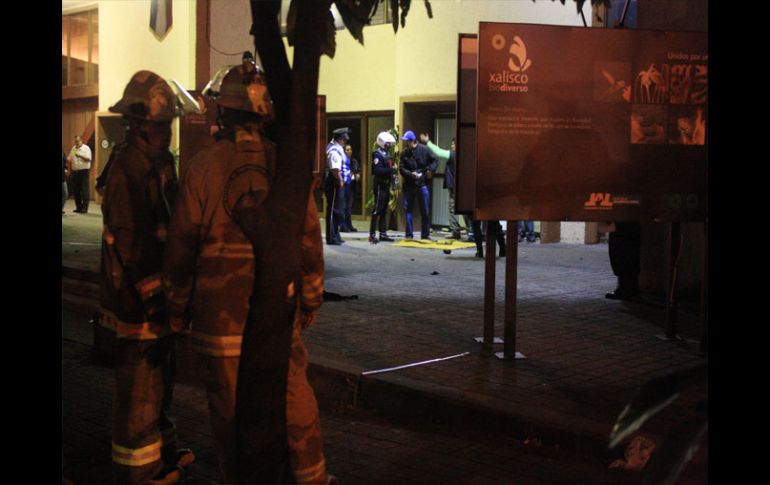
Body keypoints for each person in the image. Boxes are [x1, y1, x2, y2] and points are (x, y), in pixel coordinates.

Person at [163, 63, 332, 485]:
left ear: (224, 113)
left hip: (219, 318)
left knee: (229, 415)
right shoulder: (285, 166)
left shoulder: (202, 167)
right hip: (276, 313)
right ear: (265, 114)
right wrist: (310, 297)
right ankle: (312, 478)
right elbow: (309, 236)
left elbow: (182, 242)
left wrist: (178, 304)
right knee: (294, 401)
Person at [98, 70, 194, 484]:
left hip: (159, 300)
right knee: (139, 389)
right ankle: (139, 472)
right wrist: (158, 303)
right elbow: (131, 246)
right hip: (136, 304)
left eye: (168, 125)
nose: (167, 133)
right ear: (138, 125)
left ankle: (164, 450)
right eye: (161, 126)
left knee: (160, 382)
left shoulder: (158, 164)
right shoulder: (126, 170)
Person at [419, 133, 472, 240]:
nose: (452, 146)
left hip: (453, 187)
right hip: (464, 187)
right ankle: (471, 232)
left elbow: (438, 152)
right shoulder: (466, 155)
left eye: (454, 144)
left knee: (452, 208)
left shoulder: (453, 155)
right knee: (465, 209)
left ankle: (456, 231)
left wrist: (427, 142)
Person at [399, 130, 438, 240]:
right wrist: (411, 174)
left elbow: (435, 160)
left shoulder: (424, 150)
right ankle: (409, 235)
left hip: (422, 184)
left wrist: (430, 170)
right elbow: (401, 169)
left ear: (413, 141)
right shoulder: (404, 153)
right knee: (408, 210)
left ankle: (425, 235)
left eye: (407, 141)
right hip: (409, 185)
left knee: (425, 210)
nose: (405, 144)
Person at [369, 131, 397, 244]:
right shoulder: (377, 154)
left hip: (386, 184)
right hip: (380, 185)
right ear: (383, 143)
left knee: (384, 210)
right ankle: (372, 234)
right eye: (387, 143)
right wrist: (392, 170)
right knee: (377, 209)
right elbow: (377, 170)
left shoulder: (386, 154)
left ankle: (383, 234)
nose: (389, 145)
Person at [324, 128, 349, 245]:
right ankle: (331, 237)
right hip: (334, 182)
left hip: (337, 182)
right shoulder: (334, 150)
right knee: (333, 210)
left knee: (338, 210)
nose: (345, 142)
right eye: (344, 139)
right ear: (340, 139)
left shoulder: (338, 148)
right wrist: (340, 180)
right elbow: (335, 169)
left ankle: (336, 234)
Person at [605, 221, 641, 300]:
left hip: (623, 222)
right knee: (628, 250)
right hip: (630, 222)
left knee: (620, 250)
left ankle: (625, 287)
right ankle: (631, 286)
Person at [67, 134, 92, 213]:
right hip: (75, 172)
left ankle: (85, 208)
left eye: (77, 141)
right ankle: (78, 207)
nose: (76, 143)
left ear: (81, 141)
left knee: (84, 190)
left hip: (83, 172)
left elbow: (88, 159)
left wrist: (79, 155)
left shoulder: (86, 148)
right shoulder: (74, 149)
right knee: (76, 191)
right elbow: (69, 158)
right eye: (75, 141)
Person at [340, 144, 360, 232]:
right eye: (347, 150)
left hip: (351, 186)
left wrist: (357, 175)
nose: (350, 151)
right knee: (343, 206)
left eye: (350, 149)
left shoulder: (354, 161)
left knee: (349, 207)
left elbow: (357, 172)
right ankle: (343, 226)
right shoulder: (341, 161)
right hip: (344, 186)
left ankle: (349, 225)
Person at [62, 149, 69, 214]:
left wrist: (66, 169)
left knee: (65, 194)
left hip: (62, 177)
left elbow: (65, 162)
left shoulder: (63, 153)